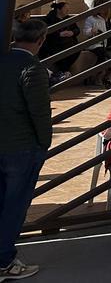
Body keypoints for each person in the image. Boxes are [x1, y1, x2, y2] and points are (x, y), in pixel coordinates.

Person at [0, 20, 51, 279]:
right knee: (14, 206)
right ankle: (4, 261)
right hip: (21, 148)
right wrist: (44, 144)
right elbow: (40, 113)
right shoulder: (32, 68)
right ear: (41, 40)